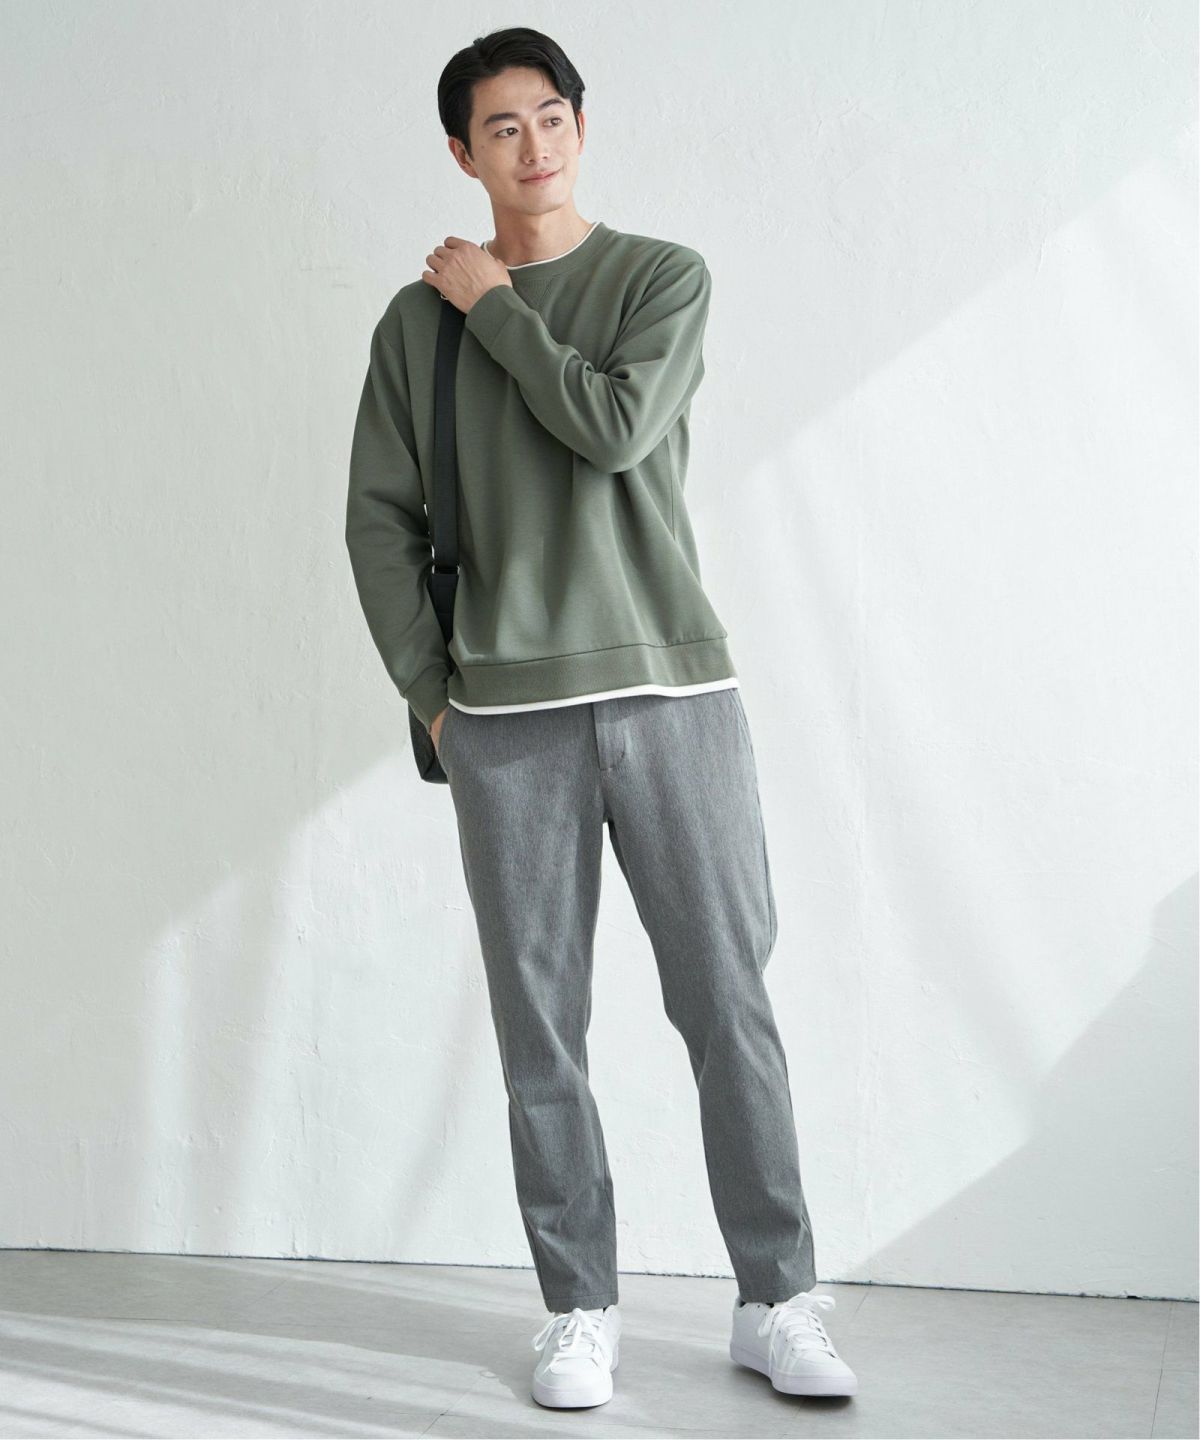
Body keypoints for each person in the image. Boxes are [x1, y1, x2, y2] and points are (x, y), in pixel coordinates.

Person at [345, 24, 858, 1410]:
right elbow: (380, 522)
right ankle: (579, 1308)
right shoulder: (411, 328)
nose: (533, 145)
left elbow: (616, 428)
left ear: (582, 125)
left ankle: (779, 1296)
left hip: (671, 692)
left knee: (728, 1001)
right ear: (463, 153)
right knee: (540, 1029)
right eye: (501, 127)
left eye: (551, 117)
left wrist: (495, 308)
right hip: (505, 716)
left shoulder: (658, 279)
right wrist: (434, 700)